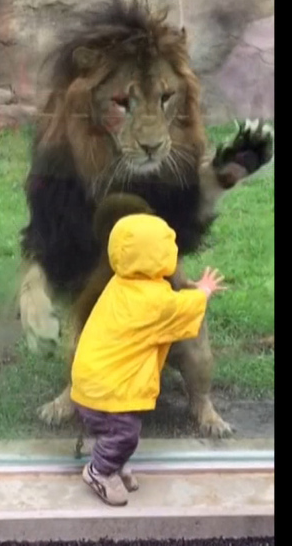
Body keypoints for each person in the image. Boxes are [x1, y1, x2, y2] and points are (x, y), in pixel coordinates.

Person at [70, 213, 227, 506]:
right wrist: (204, 290)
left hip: (91, 383)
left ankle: (114, 464)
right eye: (168, 247)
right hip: (109, 391)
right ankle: (100, 472)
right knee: (124, 433)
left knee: (122, 432)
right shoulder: (152, 301)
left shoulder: (120, 285)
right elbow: (180, 309)